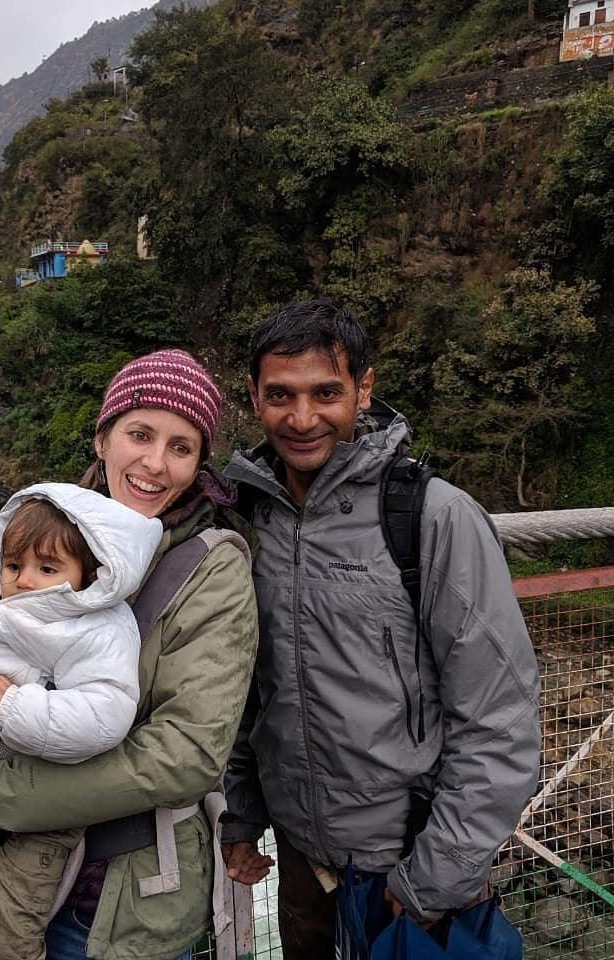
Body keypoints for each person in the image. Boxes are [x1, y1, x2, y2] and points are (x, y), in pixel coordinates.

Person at [0, 348, 259, 960]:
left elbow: (187, 755)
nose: (154, 464)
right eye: (139, 435)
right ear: (103, 437)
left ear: (199, 464)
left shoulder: (211, 571)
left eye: (180, 447)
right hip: (11, 869)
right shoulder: (54, 530)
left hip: (124, 907)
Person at [220, 300, 541, 958]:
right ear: (254, 396)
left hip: (410, 872)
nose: (302, 418)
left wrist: (431, 880)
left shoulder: (434, 518)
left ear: (364, 389)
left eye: (326, 393)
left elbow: (499, 715)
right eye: (280, 395)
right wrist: (244, 813)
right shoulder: (250, 521)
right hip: (306, 869)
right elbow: (253, 688)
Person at [0, 483, 163, 960]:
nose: (24, 581)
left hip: (47, 794)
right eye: (13, 565)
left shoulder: (97, 629)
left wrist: (20, 707)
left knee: (11, 918)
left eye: (47, 569)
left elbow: (105, 714)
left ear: (87, 576)